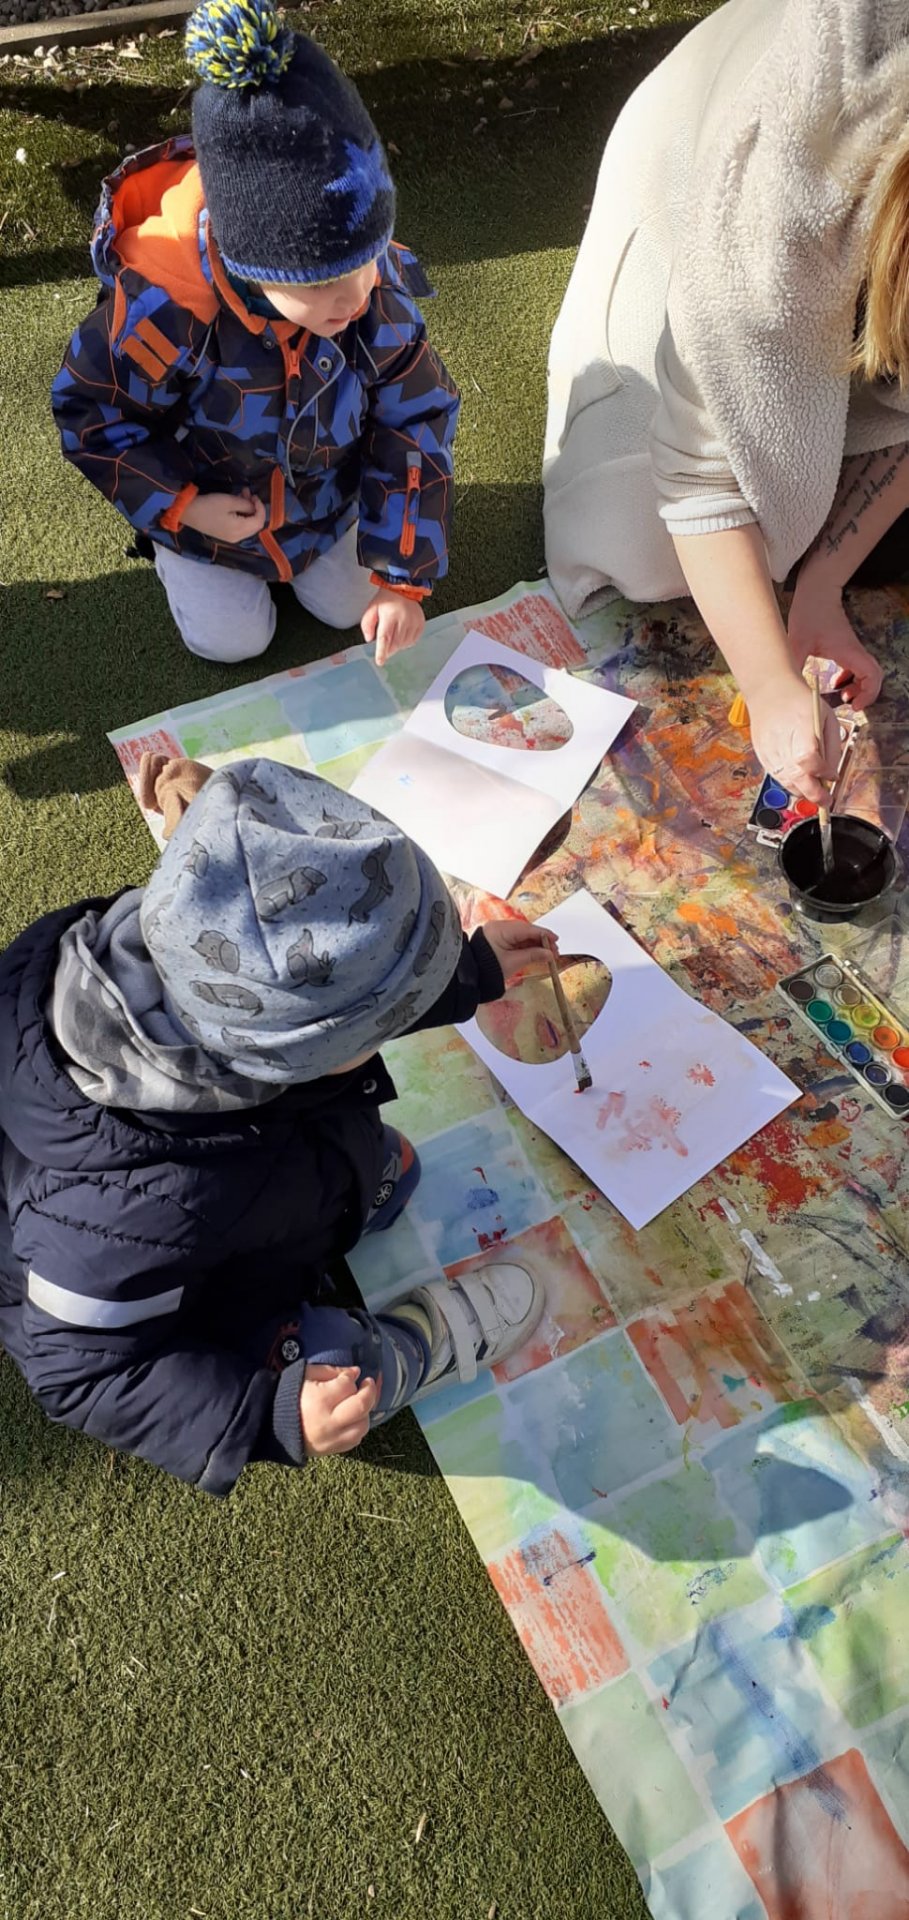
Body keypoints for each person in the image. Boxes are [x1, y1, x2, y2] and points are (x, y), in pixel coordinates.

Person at [0, 757, 554, 1493]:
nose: (394, 1028)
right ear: (291, 1055)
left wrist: (471, 972)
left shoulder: (189, 944)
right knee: (334, 1363)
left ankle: (343, 1195)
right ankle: (405, 1354)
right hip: (197, 1298)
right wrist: (272, 1415)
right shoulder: (115, 1217)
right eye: (386, 1022)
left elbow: (330, 979)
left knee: (375, 1165)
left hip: (267, 1171)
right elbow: (85, 1373)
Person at [544, 0, 909, 803]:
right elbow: (698, 476)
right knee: (644, 544)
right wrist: (769, 684)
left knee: (827, 541)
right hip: (708, 183)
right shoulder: (775, 206)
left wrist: (818, 588)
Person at [51, 0, 459, 669]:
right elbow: (92, 415)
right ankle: (174, 556)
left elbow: (415, 417)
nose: (356, 297)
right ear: (252, 266)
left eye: (366, 262)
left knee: (347, 606)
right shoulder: (163, 313)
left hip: (323, 507)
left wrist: (401, 577)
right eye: (321, 283)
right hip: (212, 525)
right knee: (232, 642)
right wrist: (183, 508)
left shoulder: (365, 293)